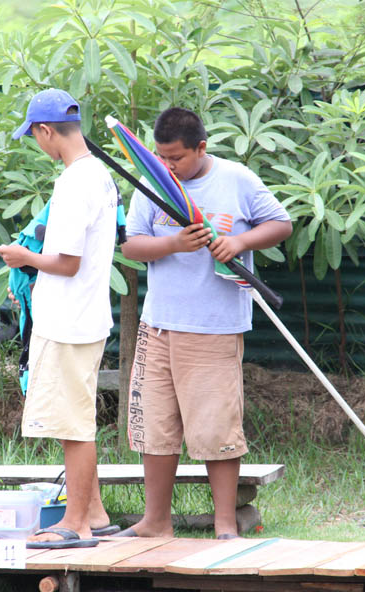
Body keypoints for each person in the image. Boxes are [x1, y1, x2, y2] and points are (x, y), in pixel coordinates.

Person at [117, 107, 292, 539]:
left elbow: (281, 224)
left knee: (216, 426)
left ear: (201, 148)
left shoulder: (236, 179)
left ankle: (225, 524)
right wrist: (172, 243)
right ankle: (155, 522)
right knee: (155, 426)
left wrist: (240, 241)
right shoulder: (153, 182)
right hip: (158, 325)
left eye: (175, 157)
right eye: (160, 156)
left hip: (214, 327)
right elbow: (131, 246)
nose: (167, 165)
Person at [0, 88, 120, 549]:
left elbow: (66, 262)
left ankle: (75, 525)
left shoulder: (73, 182)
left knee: (72, 426)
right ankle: (96, 513)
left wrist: (22, 255)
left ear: (46, 130)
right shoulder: (100, 175)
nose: (38, 144)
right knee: (78, 417)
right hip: (87, 316)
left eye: (35, 136)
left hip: (67, 322)